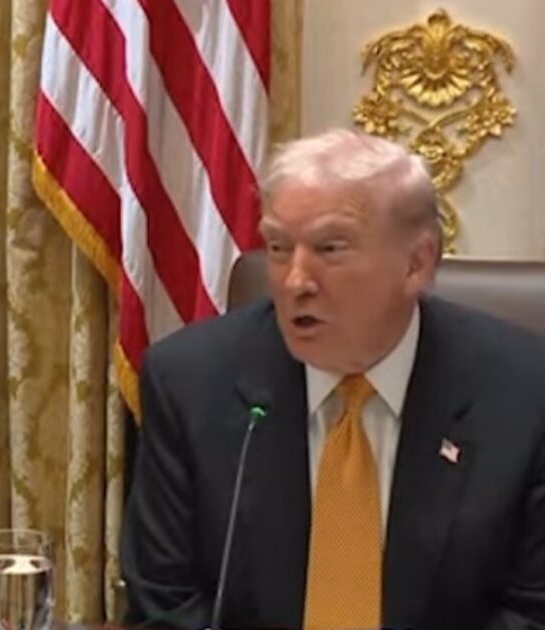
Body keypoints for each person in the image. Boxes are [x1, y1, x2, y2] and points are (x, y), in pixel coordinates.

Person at [120, 129, 545, 629]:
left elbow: (532, 612)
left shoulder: (525, 392)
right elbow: (164, 604)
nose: (296, 280)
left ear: (416, 263)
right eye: (278, 247)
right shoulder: (190, 383)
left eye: (330, 248)